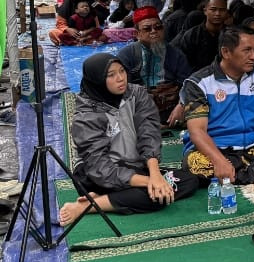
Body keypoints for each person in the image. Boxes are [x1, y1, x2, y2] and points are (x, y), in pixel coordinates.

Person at [58, 54, 199, 225]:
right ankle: (87, 206)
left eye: (122, 71)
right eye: (111, 75)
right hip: (97, 177)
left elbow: (149, 132)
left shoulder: (136, 94)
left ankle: (109, 199)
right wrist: (150, 182)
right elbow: (100, 168)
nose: (120, 78)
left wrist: (154, 173)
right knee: (154, 197)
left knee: (190, 180)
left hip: (136, 168)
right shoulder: (86, 116)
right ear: (97, 80)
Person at [181, 26, 254, 183]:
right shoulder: (199, 82)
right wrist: (218, 160)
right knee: (195, 164)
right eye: (247, 50)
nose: (253, 56)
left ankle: (241, 173)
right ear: (226, 52)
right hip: (218, 146)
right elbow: (197, 131)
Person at [117, 8, 192, 127]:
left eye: (158, 27)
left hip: (171, 111)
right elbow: (120, 89)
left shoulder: (176, 54)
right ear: (137, 34)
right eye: (147, 29)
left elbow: (188, 84)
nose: (154, 31)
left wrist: (181, 105)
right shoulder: (126, 55)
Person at [173, 0, 228, 71]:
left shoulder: (233, 35)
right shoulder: (192, 35)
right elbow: (184, 63)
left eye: (222, 10)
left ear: (226, 12)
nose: (217, 13)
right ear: (205, 11)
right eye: (213, 9)